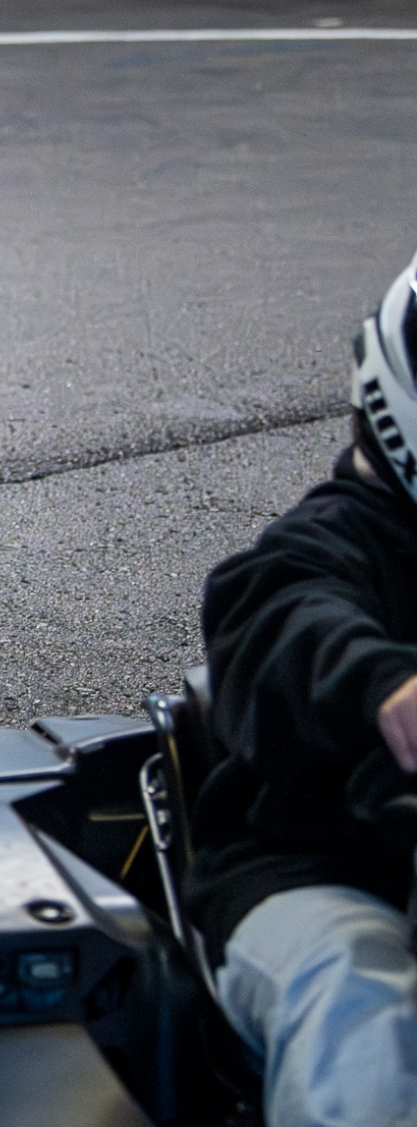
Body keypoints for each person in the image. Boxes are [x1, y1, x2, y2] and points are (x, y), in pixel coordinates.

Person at [185, 249, 417, 1127]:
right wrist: (386, 684)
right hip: (320, 872)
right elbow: (282, 611)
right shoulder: (331, 543)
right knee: (363, 1004)